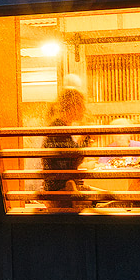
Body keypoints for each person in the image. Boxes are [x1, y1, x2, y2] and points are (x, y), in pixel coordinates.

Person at [39, 81, 89, 209]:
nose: (84, 110)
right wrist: (87, 139)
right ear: (72, 106)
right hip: (60, 194)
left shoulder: (61, 128)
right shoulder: (58, 129)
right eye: (81, 105)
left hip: (60, 191)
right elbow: (71, 161)